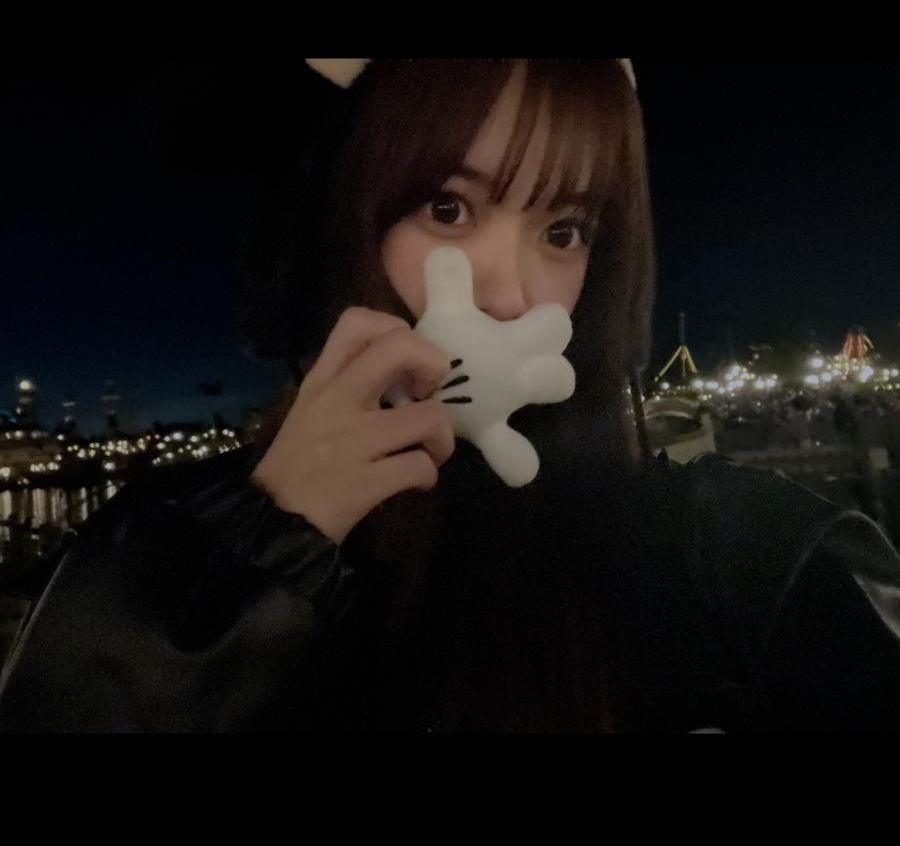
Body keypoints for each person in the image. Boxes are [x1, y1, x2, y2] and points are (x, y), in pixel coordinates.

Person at [2, 58, 900, 733]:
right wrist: (268, 552)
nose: (511, 294)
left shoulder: (746, 559)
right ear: (338, 224)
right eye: (448, 208)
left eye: (565, 230)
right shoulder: (157, 560)